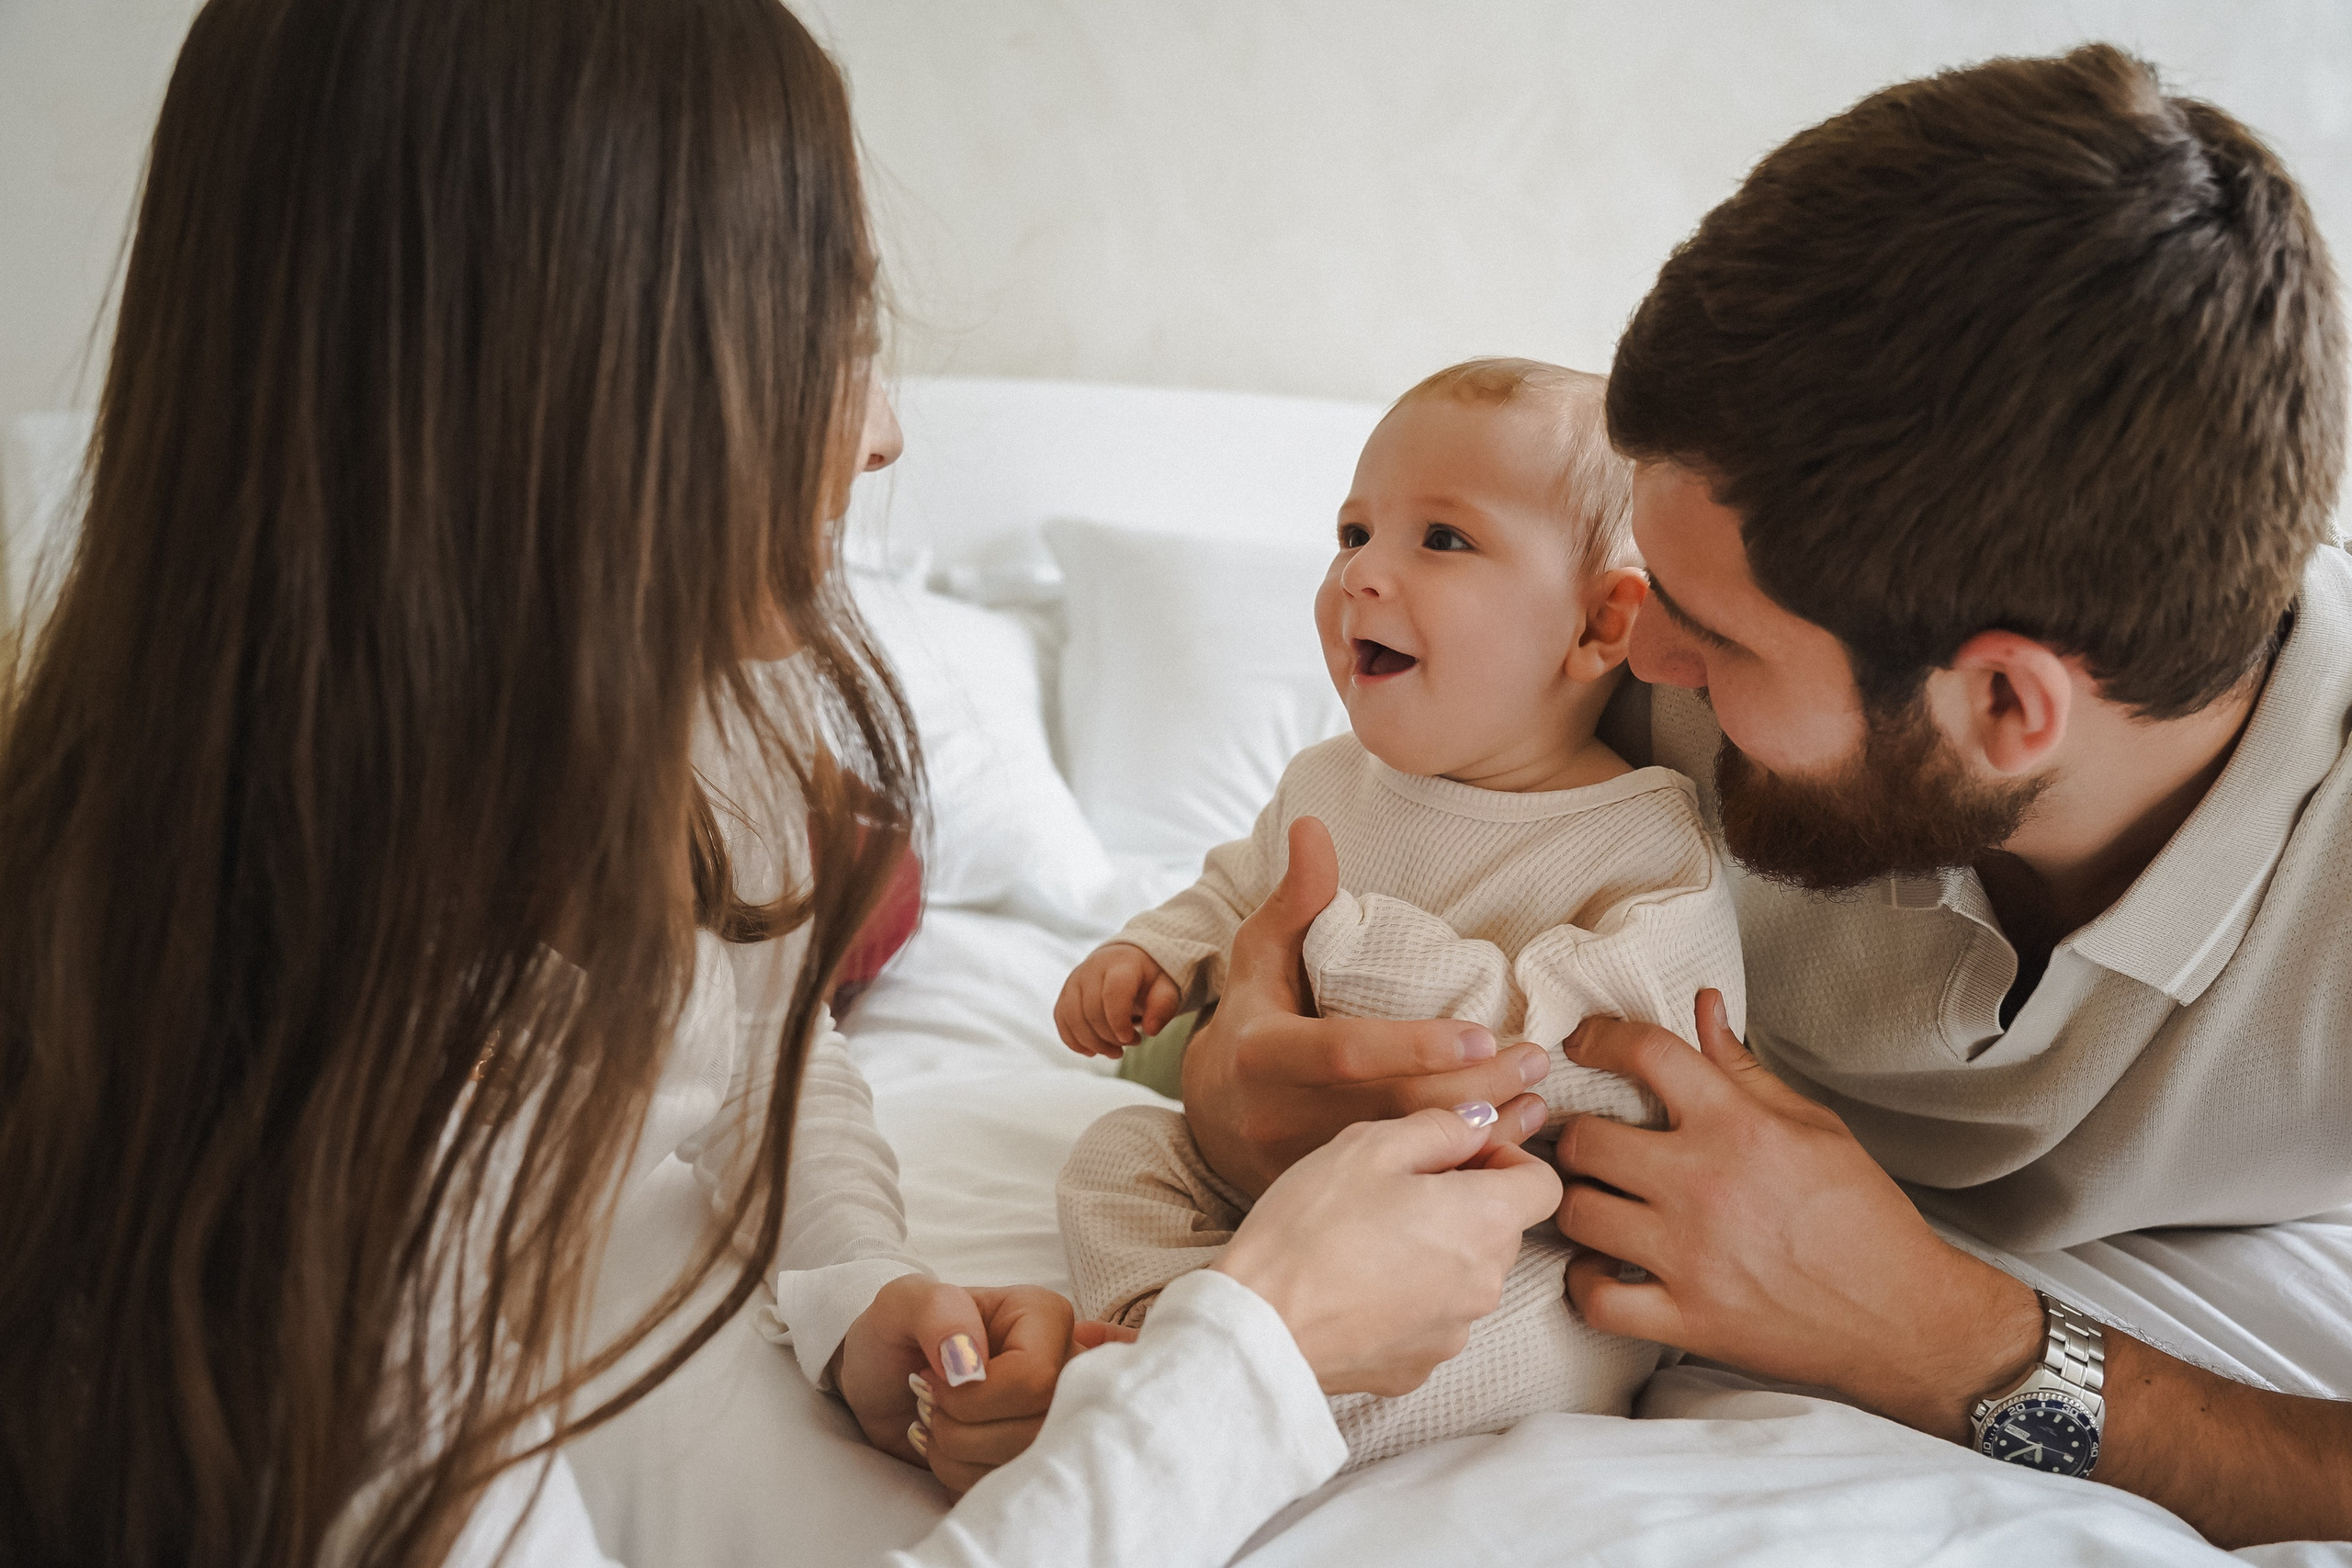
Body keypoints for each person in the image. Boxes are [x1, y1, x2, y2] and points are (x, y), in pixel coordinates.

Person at [0, 3, 1559, 1565]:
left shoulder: (703, 731)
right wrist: (1262, 1350)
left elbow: (766, 1055)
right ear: (565, 384)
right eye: (824, 336)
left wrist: (853, 1291)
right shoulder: (296, 1152)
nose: (883, 431)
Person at [1173, 44, 2352, 1547]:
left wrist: (1950, 1337)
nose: (1631, 649)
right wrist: (1220, 1080)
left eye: (1709, 635)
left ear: (2001, 705)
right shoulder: (1619, 636)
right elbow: (1284, 932)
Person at [1050, 358, 1744, 1467]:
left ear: (1601, 624)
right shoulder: (1328, 781)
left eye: (1442, 540)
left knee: (1545, 1326)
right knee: (1120, 1148)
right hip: (1272, 1180)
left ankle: (1230, 1426)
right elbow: (1239, 891)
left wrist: (1364, 955)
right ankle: (1157, 1329)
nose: (1362, 574)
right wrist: (1158, 953)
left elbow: (1620, 1067)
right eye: (1351, 532)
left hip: (1500, 1228)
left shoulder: (1643, 841)